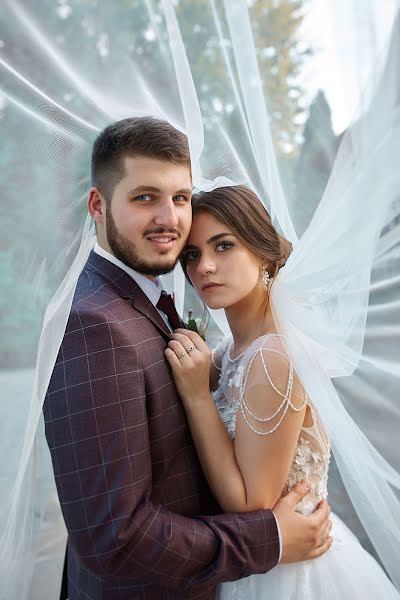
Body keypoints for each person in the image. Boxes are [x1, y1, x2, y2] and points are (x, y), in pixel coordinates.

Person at [43, 118, 332, 600]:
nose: (169, 218)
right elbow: (114, 538)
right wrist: (270, 537)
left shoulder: (152, 304)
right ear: (98, 205)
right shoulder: (97, 326)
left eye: (179, 198)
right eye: (144, 197)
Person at [166, 185, 400, 599]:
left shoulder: (273, 357)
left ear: (263, 254)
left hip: (288, 574)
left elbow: (252, 506)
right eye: (192, 254)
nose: (204, 266)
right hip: (258, 561)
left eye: (223, 246)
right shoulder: (232, 350)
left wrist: (198, 397)